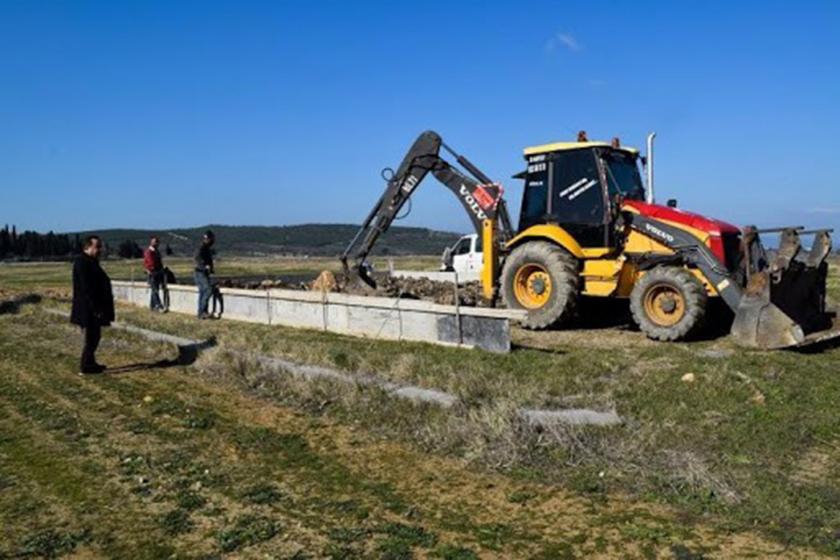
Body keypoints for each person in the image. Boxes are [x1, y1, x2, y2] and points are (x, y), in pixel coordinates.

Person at [70, 235, 114, 375]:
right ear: (87, 247)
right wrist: (95, 308)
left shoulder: (92, 261)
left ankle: (91, 363)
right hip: (88, 308)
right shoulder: (81, 262)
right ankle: (85, 366)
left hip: (94, 307)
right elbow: (86, 288)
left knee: (95, 336)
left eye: (100, 246)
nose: (99, 249)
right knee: (91, 338)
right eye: (97, 247)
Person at [194, 230, 215, 319]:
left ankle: (202, 312)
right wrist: (205, 266)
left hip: (202, 272)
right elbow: (197, 257)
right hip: (200, 272)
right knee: (208, 290)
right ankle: (202, 311)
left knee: (203, 292)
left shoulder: (206, 248)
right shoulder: (202, 248)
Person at [143, 235, 166, 312]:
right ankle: (159, 305)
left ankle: (152, 306)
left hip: (157, 272)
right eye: (155, 242)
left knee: (154, 290)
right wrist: (149, 270)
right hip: (152, 272)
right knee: (155, 290)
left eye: (157, 242)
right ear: (151, 242)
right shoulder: (148, 252)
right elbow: (149, 263)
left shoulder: (156, 252)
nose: (156, 244)